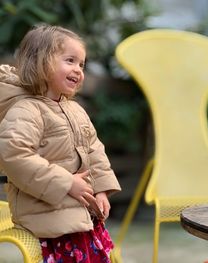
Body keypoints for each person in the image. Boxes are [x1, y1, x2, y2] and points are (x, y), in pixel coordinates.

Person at [0, 24, 121, 262]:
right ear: (41, 62)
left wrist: (102, 189)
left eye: (81, 64)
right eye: (70, 60)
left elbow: (94, 149)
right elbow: (13, 155)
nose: (78, 70)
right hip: (48, 218)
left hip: (79, 216)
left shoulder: (74, 109)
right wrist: (67, 183)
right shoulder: (27, 109)